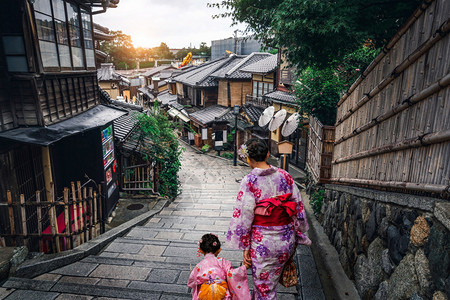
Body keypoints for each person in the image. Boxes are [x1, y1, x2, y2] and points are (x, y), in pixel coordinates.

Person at [227, 138, 311, 299]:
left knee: (264, 288)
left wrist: (245, 245)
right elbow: (298, 205)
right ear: (267, 154)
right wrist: (298, 230)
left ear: (248, 159)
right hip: (286, 240)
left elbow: (244, 215)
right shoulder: (285, 176)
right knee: (269, 285)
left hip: (262, 243)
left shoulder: (250, 181)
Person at [188, 233, 251, 299]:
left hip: (205, 293)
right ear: (219, 250)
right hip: (221, 292)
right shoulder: (223, 262)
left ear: (200, 250)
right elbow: (231, 274)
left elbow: (192, 282)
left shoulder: (199, 266)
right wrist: (244, 267)